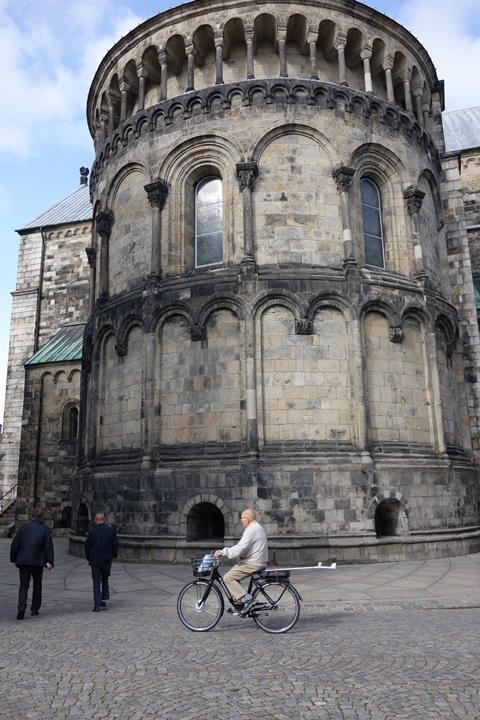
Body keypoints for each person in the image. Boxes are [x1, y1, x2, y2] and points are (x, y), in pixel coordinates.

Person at [214, 508, 268, 613]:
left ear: (247, 518)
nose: (241, 520)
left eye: (242, 518)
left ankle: (249, 600)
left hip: (253, 563)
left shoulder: (251, 529)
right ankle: (240, 603)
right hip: (257, 561)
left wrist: (223, 552)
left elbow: (240, 548)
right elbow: (244, 548)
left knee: (228, 578)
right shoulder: (257, 527)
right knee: (234, 575)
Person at [10, 507, 54, 620]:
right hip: (38, 561)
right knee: (37, 585)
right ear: (41, 517)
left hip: (23, 560)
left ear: (31, 517)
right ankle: (34, 608)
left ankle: (21, 609)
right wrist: (50, 562)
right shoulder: (45, 529)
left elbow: (15, 544)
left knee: (23, 586)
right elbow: (49, 547)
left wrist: (14, 558)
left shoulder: (23, 528)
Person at [85, 512, 119, 612]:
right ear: (104, 519)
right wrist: (113, 554)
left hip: (95, 559)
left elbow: (87, 546)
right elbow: (115, 544)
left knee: (96, 581)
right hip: (107, 559)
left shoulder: (92, 532)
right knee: (105, 578)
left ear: (96, 520)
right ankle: (103, 599)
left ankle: (97, 603)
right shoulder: (110, 530)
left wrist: (89, 557)